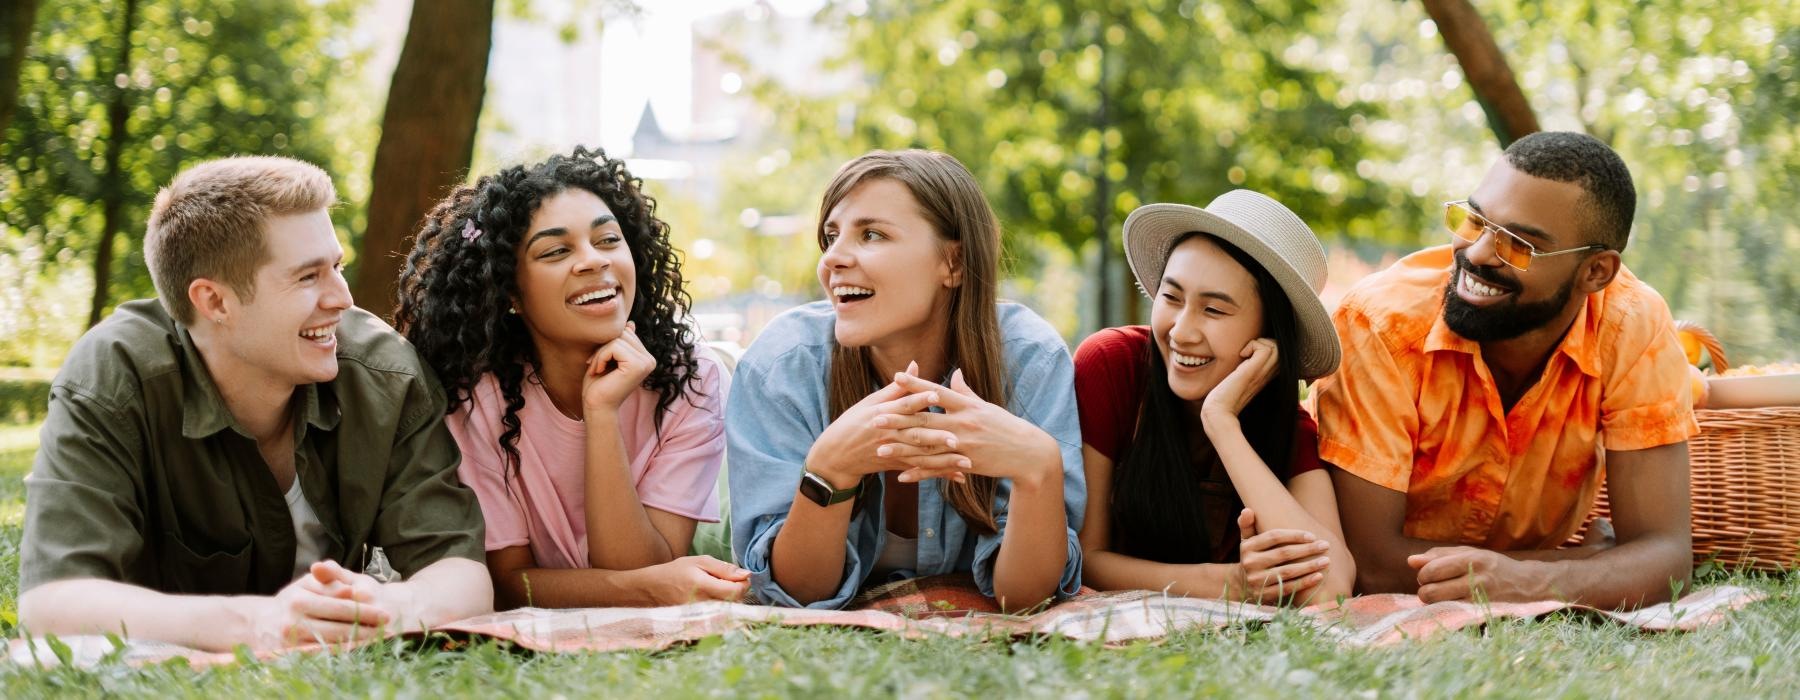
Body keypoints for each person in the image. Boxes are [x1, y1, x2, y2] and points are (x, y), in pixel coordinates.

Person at [18, 156, 492, 651]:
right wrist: (261, 623)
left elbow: (460, 572)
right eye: (308, 277)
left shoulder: (383, 373)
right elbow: (52, 602)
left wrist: (386, 609)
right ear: (215, 302)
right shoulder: (114, 379)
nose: (342, 298)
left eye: (337, 267)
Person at [1314, 131, 1697, 607]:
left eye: (1518, 244)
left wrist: (1526, 580)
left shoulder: (1631, 324)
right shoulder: (1380, 325)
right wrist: (1583, 566)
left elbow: (1666, 558)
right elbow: (1370, 563)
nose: (1475, 254)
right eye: (1474, 221)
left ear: (1596, 272)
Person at [727, 150, 1085, 611]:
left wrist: (1039, 470)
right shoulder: (781, 366)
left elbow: (1022, 600)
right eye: (831, 237)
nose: (833, 258)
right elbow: (794, 594)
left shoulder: (1029, 361)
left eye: (871, 234)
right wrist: (829, 470)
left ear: (953, 263)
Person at [395, 147, 745, 609]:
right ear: (510, 293)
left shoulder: (689, 377)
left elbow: (642, 567)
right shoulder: (476, 398)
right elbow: (507, 584)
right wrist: (651, 585)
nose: (593, 261)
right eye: (557, 251)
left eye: (607, 240)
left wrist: (601, 413)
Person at [1075, 192, 1354, 606]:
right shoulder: (1112, 366)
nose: (1181, 331)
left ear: (1269, 333)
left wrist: (1222, 422)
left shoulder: (1287, 425)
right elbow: (1086, 559)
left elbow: (1332, 587)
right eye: (1171, 298)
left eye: (1214, 311)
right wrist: (1232, 583)